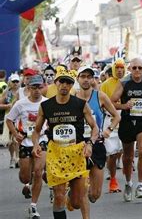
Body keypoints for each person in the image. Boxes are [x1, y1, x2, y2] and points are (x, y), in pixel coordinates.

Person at [32, 69, 99, 219]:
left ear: (72, 85)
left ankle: (73, 199)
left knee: (78, 199)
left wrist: (90, 143)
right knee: (59, 195)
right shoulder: (46, 106)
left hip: (77, 152)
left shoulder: (80, 104)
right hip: (56, 153)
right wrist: (36, 144)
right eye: (61, 81)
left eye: (68, 82)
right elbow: (36, 131)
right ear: (55, 83)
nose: (64, 85)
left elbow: (95, 127)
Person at [75, 66, 121, 219]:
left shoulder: (100, 96)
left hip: (97, 145)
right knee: (77, 198)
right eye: (83, 76)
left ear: (93, 79)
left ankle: (85, 190)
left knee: (95, 195)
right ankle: (77, 196)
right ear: (78, 79)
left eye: (89, 76)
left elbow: (116, 116)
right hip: (77, 146)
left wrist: (108, 129)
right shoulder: (72, 97)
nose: (86, 79)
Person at [111, 58, 142, 202]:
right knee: (127, 156)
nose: (137, 71)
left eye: (140, 68)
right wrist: (124, 106)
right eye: (134, 68)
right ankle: (128, 183)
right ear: (130, 69)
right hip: (127, 121)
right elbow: (112, 101)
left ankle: (140, 185)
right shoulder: (124, 83)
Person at [5, 75, 47, 218]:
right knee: (25, 177)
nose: (36, 90)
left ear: (43, 87)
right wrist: (15, 134)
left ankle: (33, 206)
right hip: (25, 141)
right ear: (28, 88)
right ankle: (27, 182)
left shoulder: (47, 103)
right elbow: (9, 120)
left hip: (42, 141)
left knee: (38, 171)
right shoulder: (20, 104)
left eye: (39, 87)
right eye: (33, 87)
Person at [100, 59, 126, 193]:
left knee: (123, 151)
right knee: (112, 153)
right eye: (118, 68)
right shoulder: (105, 84)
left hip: (126, 120)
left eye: (122, 68)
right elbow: (103, 103)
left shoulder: (128, 82)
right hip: (110, 120)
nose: (120, 70)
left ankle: (128, 181)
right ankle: (113, 179)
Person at [0, 73, 21, 168]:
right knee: (10, 141)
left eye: (17, 81)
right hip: (9, 117)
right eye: (14, 81)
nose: (15, 83)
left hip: (19, 118)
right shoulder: (6, 92)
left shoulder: (22, 91)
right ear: (10, 82)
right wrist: (7, 106)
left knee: (17, 139)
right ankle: (12, 158)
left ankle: (18, 158)